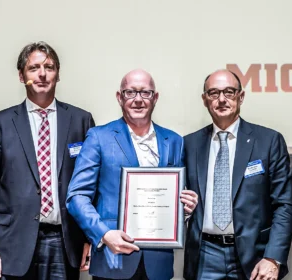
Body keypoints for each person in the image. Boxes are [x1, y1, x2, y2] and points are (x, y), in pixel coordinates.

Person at [0, 41, 95, 280]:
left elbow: (92, 186)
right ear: (21, 76)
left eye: (49, 67)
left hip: (66, 242)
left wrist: (90, 238)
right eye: (34, 68)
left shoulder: (81, 121)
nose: (41, 74)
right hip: (12, 245)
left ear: (57, 75)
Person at [66, 69, 198, 280]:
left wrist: (186, 208)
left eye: (145, 93)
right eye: (130, 93)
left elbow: (175, 200)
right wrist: (104, 234)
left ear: (155, 98)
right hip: (112, 259)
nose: (138, 100)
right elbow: (76, 197)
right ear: (120, 97)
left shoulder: (174, 141)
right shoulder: (99, 137)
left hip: (158, 264)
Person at [183, 69, 292, 280]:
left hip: (255, 257)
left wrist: (273, 258)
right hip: (204, 255)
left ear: (241, 96)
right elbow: (182, 201)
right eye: (214, 93)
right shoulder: (189, 144)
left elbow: (284, 205)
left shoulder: (268, 141)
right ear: (204, 100)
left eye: (229, 92)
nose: (222, 99)